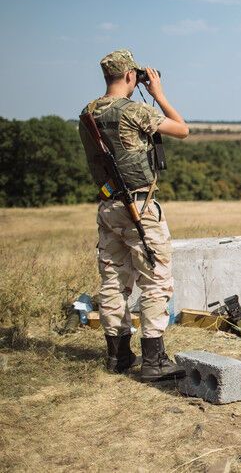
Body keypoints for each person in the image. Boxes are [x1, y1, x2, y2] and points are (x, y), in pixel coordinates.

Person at [78, 49, 189, 381]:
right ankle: (154, 360)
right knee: (156, 280)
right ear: (130, 76)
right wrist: (158, 94)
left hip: (108, 205)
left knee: (113, 280)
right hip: (139, 206)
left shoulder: (88, 113)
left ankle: (119, 357)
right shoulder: (134, 111)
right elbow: (182, 129)